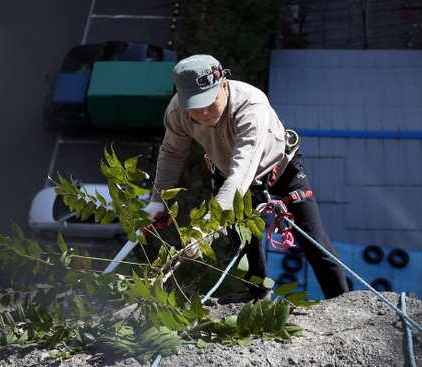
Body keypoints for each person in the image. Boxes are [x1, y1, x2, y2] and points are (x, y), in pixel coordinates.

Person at [144, 54, 349, 303]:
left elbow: (241, 175)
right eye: (195, 105)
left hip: (280, 171)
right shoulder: (178, 111)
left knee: (313, 241)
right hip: (226, 173)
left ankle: (342, 301)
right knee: (243, 245)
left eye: (210, 101)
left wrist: (207, 227)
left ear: (224, 85)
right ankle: (258, 295)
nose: (204, 112)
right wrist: (157, 201)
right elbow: (172, 153)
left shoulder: (252, 107)